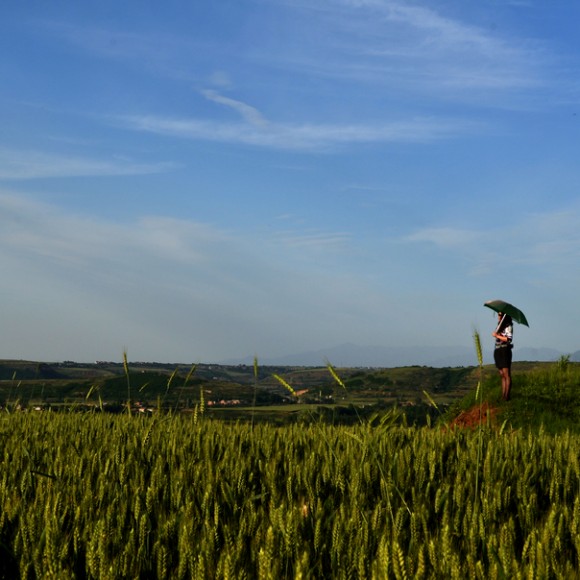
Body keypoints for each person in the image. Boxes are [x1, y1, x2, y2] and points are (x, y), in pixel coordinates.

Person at [492, 312, 513, 401]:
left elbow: (509, 339)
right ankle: (503, 395)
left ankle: (506, 396)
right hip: (498, 349)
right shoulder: (499, 325)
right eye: (498, 314)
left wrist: (497, 335)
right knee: (501, 374)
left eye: (500, 315)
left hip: (504, 350)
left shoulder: (508, 326)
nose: (498, 316)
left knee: (506, 373)